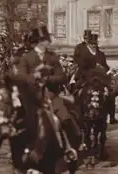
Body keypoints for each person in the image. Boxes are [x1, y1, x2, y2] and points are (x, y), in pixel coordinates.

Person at [12, 26, 81, 158]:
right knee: (18, 122)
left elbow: (62, 76)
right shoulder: (26, 58)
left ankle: (69, 147)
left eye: (47, 40)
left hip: (51, 96)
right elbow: (21, 77)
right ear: (38, 42)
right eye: (45, 40)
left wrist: (48, 79)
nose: (48, 42)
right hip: (32, 98)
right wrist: (34, 78)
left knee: (66, 118)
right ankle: (19, 151)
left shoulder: (53, 57)